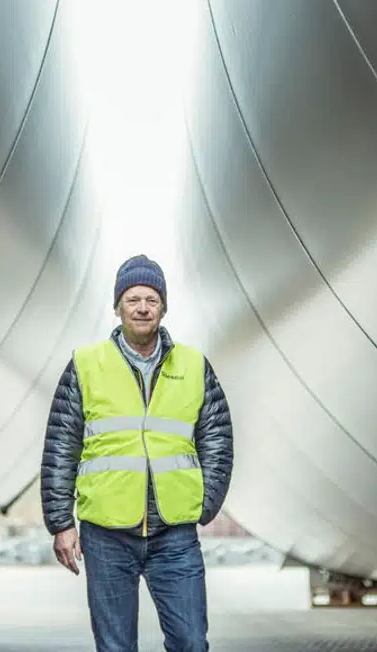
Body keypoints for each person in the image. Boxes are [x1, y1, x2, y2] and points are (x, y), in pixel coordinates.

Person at [40, 254, 234, 652]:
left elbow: (217, 436)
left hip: (174, 534)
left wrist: (205, 502)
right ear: (117, 307)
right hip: (106, 535)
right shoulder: (85, 364)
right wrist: (61, 522)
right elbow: (61, 443)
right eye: (133, 299)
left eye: (151, 299)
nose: (143, 307)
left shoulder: (194, 365)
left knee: (192, 643)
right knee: (115, 648)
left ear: (163, 307)